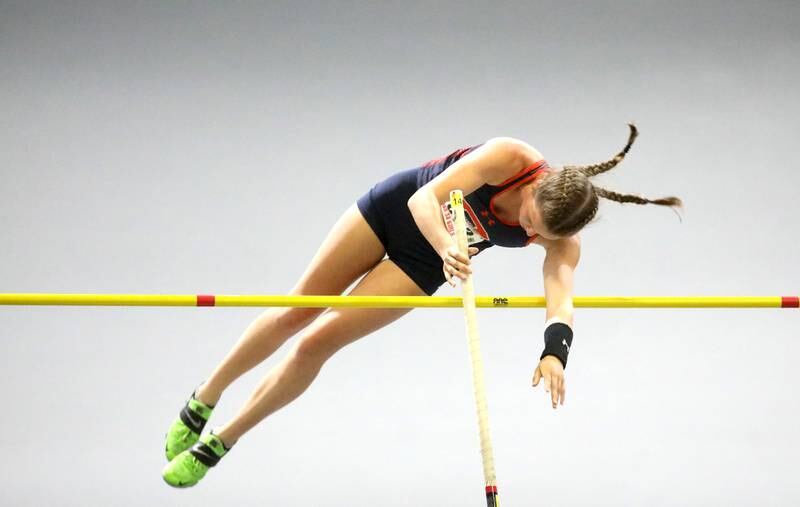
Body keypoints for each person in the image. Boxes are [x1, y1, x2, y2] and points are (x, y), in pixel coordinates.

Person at [162, 123, 683, 487]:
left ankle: (221, 442)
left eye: (537, 236)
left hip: (425, 265)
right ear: (538, 186)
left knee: (314, 345)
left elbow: (560, 299)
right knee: (298, 311)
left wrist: (555, 353)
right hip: (396, 210)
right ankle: (204, 398)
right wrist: (449, 246)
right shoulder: (510, 157)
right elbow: (423, 201)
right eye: (529, 220)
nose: (527, 232)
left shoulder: (560, 240)